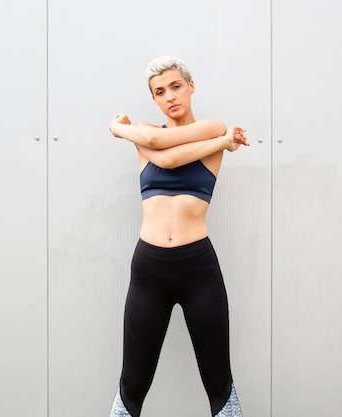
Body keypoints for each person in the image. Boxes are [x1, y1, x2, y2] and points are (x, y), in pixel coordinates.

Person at [107, 56, 248, 417]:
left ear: (191, 86)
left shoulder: (213, 126)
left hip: (197, 269)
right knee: (132, 385)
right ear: (153, 99)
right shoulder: (198, 135)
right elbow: (158, 142)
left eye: (175, 86)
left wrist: (118, 129)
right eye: (159, 92)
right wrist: (221, 144)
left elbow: (166, 157)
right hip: (149, 271)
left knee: (219, 382)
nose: (169, 96)